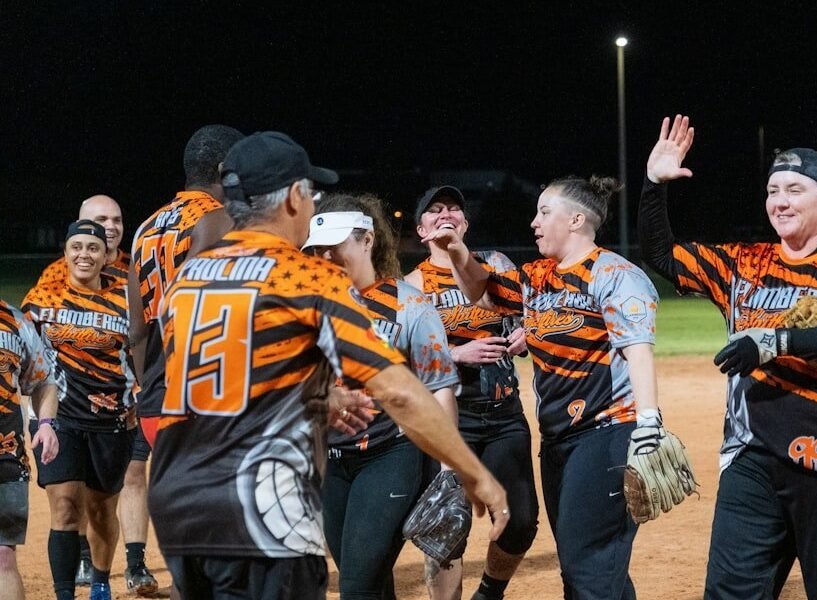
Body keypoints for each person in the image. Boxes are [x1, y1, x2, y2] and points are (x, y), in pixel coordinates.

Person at [147, 131, 508, 600]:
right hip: (262, 497)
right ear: (296, 198)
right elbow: (399, 391)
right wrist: (475, 475)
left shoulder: (190, 277)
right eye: (310, 193)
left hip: (181, 495)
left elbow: (218, 378)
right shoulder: (304, 276)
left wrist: (320, 396)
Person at [638, 115, 817, 599]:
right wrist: (654, 184)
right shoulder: (742, 264)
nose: (780, 201)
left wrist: (775, 342)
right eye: (773, 190)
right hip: (752, 458)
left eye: (795, 190)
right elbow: (661, 254)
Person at [423, 176, 662, 600]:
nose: (534, 222)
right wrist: (457, 250)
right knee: (585, 561)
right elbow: (481, 290)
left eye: (543, 212)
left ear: (575, 219)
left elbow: (637, 349)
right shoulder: (537, 278)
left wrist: (648, 422)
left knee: (586, 564)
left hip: (607, 431)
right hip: (558, 439)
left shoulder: (615, 273)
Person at [303, 193, 462, 600]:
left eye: (334, 246)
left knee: (355, 586)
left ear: (367, 240)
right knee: (369, 582)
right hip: (329, 463)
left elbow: (440, 387)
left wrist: (448, 471)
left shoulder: (409, 304)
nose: (326, 257)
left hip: (390, 455)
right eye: (317, 249)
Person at [124, 124, 244, 595]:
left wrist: (147, 386)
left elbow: (136, 329)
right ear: (223, 169)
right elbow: (203, 310)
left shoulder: (145, 227)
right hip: (201, 395)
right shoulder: (218, 219)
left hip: (156, 394)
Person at [405, 185, 539, 600]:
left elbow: (532, 314)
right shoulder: (412, 284)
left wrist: (525, 334)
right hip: (448, 417)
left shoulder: (494, 264)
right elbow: (398, 356)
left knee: (520, 522)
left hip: (502, 411)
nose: (447, 214)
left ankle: (489, 593)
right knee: (448, 524)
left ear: (466, 223)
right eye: (435, 210)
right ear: (421, 229)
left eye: (455, 209)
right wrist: (455, 352)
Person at [23, 220, 138, 600]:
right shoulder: (42, 299)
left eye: (93, 248)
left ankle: (101, 583)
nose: (84, 255)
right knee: (65, 507)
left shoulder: (126, 299)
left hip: (112, 421)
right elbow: (22, 356)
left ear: (106, 256)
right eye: (77, 247)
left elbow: (144, 355)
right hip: (60, 420)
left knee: (103, 514)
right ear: (66, 252)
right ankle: (64, 594)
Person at [0, 297, 60, 600]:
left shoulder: (16, 322)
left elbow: (43, 382)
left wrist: (46, 423)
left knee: (3, 557)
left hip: (6, 457)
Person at [37, 195, 130, 286]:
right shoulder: (55, 274)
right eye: (101, 219)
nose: (111, 226)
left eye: (117, 220)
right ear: (80, 225)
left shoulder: (138, 268)